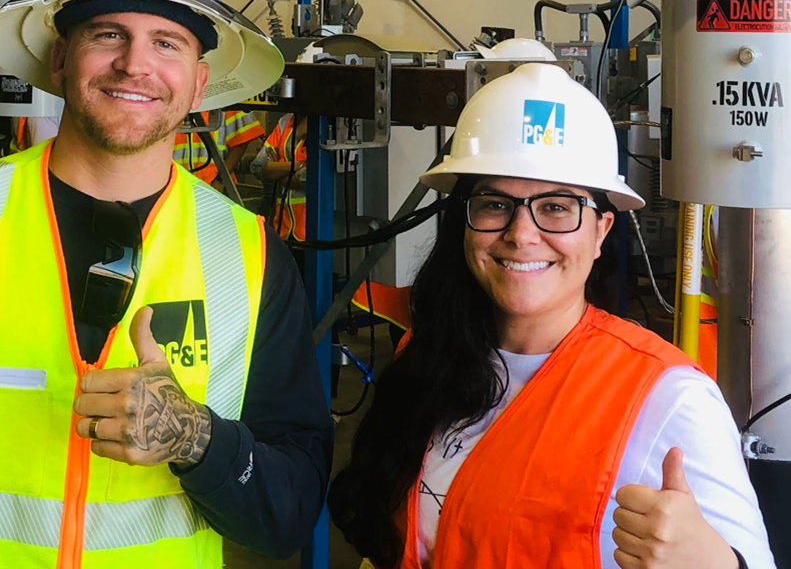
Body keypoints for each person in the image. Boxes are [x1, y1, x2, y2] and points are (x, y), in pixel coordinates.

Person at [328, 63, 775, 569]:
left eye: (558, 207)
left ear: (601, 231)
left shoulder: (667, 398)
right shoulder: (428, 355)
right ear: (465, 222)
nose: (522, 234)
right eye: (496, 204)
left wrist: (715, 564)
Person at [0, 0, 332, 567]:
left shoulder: (250, 253)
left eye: (167, 43)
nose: (134, 64)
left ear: (199, 84)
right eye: (108, 34)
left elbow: (288, 510)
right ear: (61, 56)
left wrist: (197, 437)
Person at [173, 108, 264, 190]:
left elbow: (242, 138)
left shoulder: (224, 99)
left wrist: (220, 179)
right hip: (175, 185)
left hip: (212, 184)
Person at [252, 112, 308, 241]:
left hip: (313, 228)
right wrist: (297, 165)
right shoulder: (286, 121)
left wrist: (277, 169)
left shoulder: (329, 124)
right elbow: (258, 167)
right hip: (283, 228)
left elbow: (309, 179)